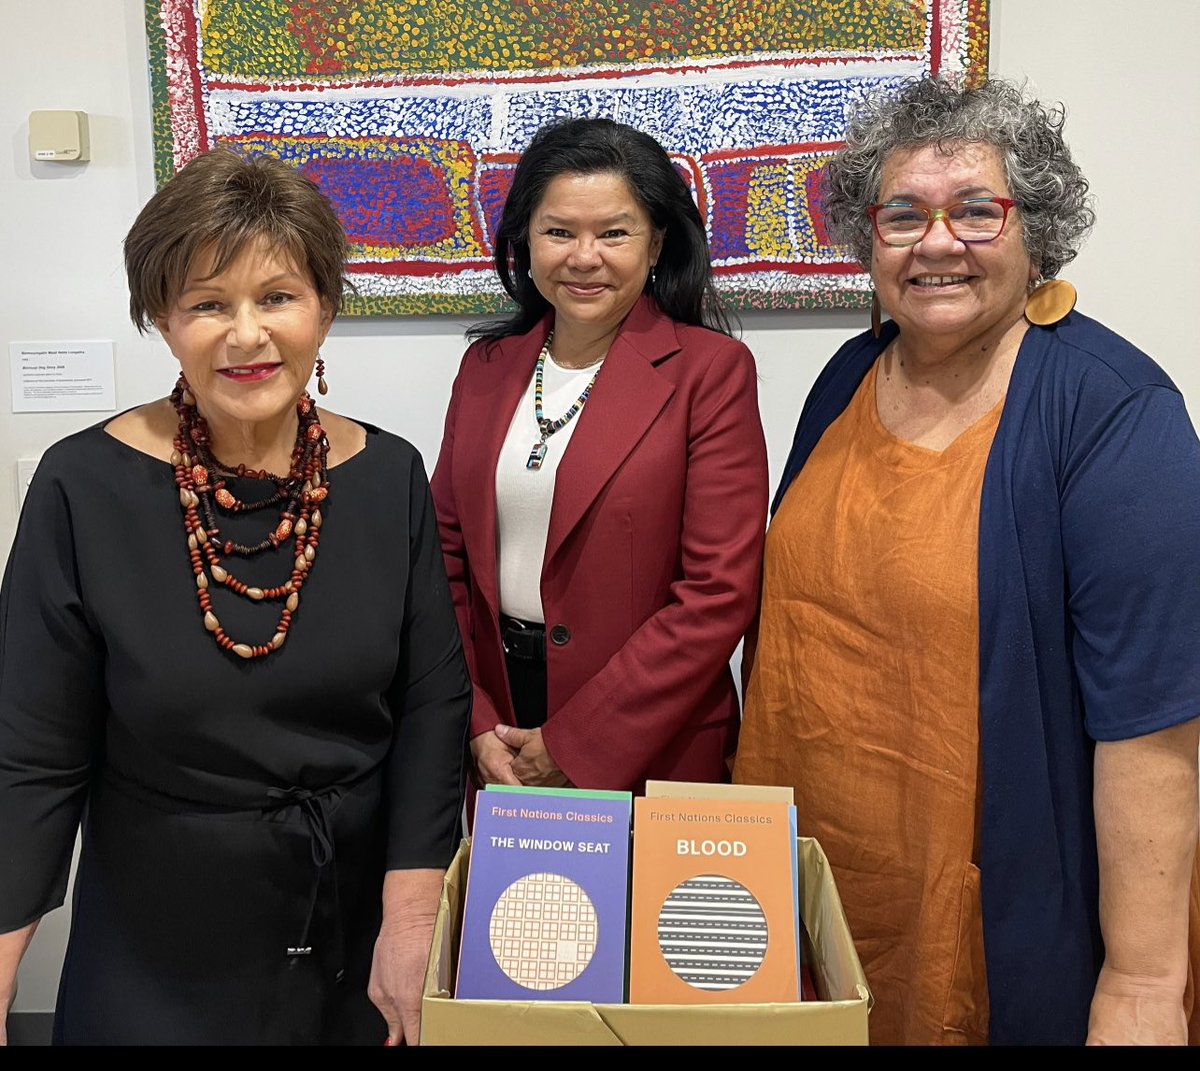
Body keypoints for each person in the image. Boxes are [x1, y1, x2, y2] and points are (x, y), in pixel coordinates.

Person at [733, 77, 1200, 1046]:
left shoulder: (1112, 411)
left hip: (1007, 913)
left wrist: (1145, 982)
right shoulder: (849, 374)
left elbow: (1153, 722)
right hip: (828, 883)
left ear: (1040, 229)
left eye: (977, 211)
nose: (936, 242)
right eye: (903, 214)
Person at [0, 148, 471, 1046]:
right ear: (162, 321)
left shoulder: (389, 475)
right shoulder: (81, 485)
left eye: (277, 297)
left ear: (324, 309)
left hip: (356, 923)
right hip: (156, 931)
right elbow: (30, 747)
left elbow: (430, 702)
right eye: (208, 303)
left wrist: (414, 915)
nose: (246, 334)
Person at [431, 117, 767, 798]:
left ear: (656, 244)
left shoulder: (710, 372)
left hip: (649, 738)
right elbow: (442, 558)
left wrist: (575, 740)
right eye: (559, 232)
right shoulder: (486, 368)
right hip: (500, 736)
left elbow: (717, 592)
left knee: (639, 911)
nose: (584, 257)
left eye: (614, 232)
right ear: (525, 241)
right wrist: (475, 719)